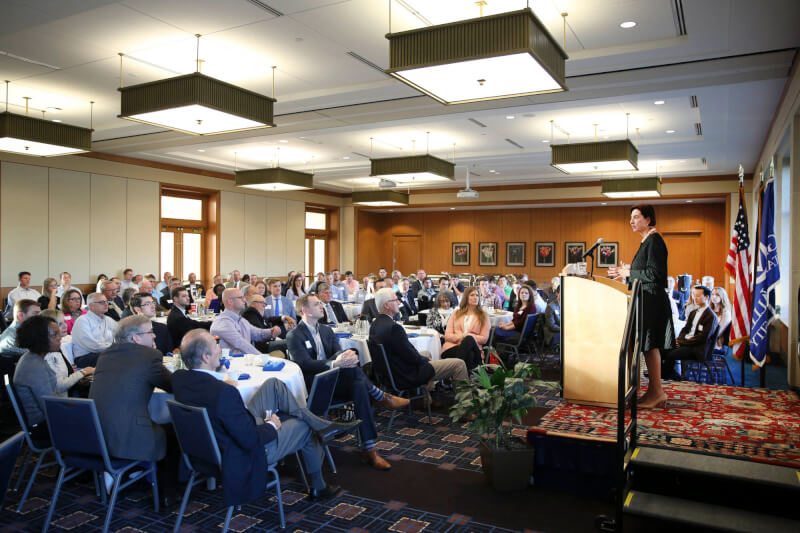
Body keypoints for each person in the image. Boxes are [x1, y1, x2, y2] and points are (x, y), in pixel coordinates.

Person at [173, 329, 347, 503]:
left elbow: (209, 395)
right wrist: (271, 425)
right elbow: (249, 440)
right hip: (241, 453)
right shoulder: (223, 393)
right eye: (215, 346)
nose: (219, 349)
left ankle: (323, 426)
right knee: (303, 426)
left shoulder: (179, 379)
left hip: (209, 446)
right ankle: (319, 486)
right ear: (205, 357)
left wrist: (218, 380)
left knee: (273, 385)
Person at [287, 293, 409, 470]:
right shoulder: (294, 335)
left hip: (336, 381)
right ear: (305, 310)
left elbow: (338, 353)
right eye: (316, 304)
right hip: (314, 386)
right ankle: (379, 399)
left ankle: (370, 449)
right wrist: (335, 363)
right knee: (355, 378)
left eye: (321, 303)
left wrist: (346, 357)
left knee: (358, 384)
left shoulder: (326, 330)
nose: (322, 306)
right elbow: (304, 364)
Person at [89, 315, 177, 504]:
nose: (154, 336)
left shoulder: (106, 355)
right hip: (127, 435)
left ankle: (132, 472)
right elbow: (173, 386)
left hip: (96, 434)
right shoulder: (148, 356)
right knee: (173, 430)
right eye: (150, 332)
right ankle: (167, 493)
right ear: (136, 338)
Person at [608, 205, 676, 408]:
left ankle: (657, 392)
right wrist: (626, 271)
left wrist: (629, 273)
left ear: (648, 219)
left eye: (636, 217)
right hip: (645, 299)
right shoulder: (646, 241)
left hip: (652, 301)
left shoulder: (655, 241)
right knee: (648, 346)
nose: (631, 221)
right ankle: (654, 391)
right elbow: (645, 272)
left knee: (650, 345)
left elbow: (655, 275)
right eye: (631, 217)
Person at [369, 288, 468, 398]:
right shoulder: (394, 328)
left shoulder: (375, 324)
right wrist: (426, 361)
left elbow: (406, 353)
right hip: (405, 375)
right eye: (395, 300)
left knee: (426, 353)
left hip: (389, 374)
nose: (399, 302)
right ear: (386, 305)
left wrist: (424, 358)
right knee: (459, 364)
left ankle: (427, 396)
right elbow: (412, 357)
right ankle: (465, 406)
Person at [12, 315, 62, 442]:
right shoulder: (34, 366)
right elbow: (49, 406)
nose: (59, 337)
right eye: (54, 335)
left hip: (45, 421)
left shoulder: (33, 358)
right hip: (42, 428)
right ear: (40, 338)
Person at [661, 285, 717, 380]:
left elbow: (702, 338)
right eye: (694, 295)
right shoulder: (694, 312)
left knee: (671, 355)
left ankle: (665, 376)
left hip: (697, 348)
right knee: (661, 350)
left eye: (698, 296)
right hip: (686, 344)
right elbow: (685, 330)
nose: (695, 298)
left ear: (706, 297)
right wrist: (678, 340)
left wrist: (682, 343)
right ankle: (668, 375)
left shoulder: (711, 316)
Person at [210, 288, 282, 354]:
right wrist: (261, 357)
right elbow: (241, 344)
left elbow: (257, 333)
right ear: (230, 301)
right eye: (240, 298)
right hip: (231, 365)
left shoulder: (240, 320)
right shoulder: (223, 322)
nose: (244, 300)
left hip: (243, 362)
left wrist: (271, 331)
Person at [40, 309, 94, 396]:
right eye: (60, 324)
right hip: (63, 400)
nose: (65, 326)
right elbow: (60, 386)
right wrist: (84, 372)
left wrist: (70, 370)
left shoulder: (60, 346)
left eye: (64, 321)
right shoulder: (48, 354)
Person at [442, 287, 490, 371]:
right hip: (453, 346)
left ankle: (456, 377)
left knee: (469, 339)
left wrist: (468, 336)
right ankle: (467, 378)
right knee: (469, 354)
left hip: (474, 348)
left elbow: (484, 339)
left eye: (477, 295)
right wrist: (462, 337)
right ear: (466, 297)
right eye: (472, 295)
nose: (476, 297)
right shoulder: (456, 313)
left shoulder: (483, 315)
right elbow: (447, 336)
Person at [71, 292, 118, 367]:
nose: (106, 304)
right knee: (116, 356)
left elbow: (120, 332)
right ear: (91, 306)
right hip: (85, 357)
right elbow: (92, 345)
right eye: (101, 302)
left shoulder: (108, 320)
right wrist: (113, 347)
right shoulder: (82, 321)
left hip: (105, 352)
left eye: (106, 301)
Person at [542, 285, 561, 349]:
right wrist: (564, 330)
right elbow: (551, 326)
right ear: (557, 293)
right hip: (552, 332)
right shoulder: (551, 306)